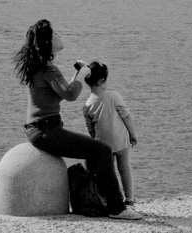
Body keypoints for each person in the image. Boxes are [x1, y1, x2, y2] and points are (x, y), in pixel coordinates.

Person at [12, 19, 141, 220]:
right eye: (55, 34)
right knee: (103, 150)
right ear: (48, 42)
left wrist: (77, 76)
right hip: (47, 131)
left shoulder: (41, 67)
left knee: (93, 150)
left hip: (39, 129)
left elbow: (60, 94)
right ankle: (117, 208)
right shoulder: (48, 69)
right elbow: (71, 95)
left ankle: (101, 201)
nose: (59, 35)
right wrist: (82, 75)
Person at [82, 62, 138, 206]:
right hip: (121, 140)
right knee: (124, 168)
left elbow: (90, 128)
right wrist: (133, 134)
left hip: (103, 145)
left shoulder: (87, 105)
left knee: (109, 172)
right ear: (101, 80)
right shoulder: (114, 95)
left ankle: (110, 199)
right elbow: (126, 116)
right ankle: (129, 199)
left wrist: (95, 140)